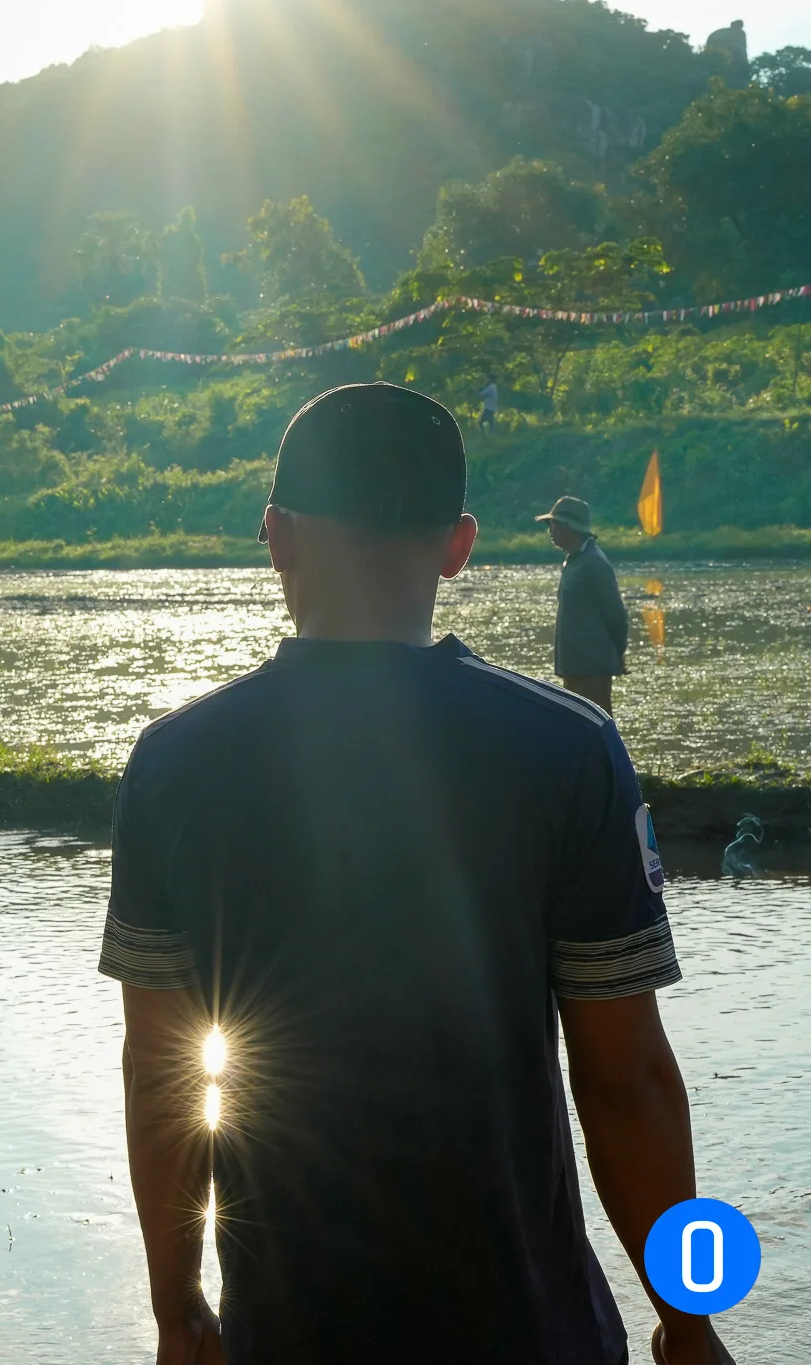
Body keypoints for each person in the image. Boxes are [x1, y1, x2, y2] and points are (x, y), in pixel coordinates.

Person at [102, 383, 729, 1365]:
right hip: (529, 1331)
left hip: (290, 1331)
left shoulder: (176, 761)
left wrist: (176, 1310)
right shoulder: (565, 748)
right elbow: (629, 1080)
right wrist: (690, 1319)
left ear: (274, 536)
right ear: (458, 544)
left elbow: (159, 1077)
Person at [539, 494, 629, 713]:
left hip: (591, 669)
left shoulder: (594, 563)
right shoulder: (575, 559)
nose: (551, 530)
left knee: (596, 731)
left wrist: (616, 653)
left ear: (571, 527)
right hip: (576, 667)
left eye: (555, 524)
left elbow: (616, 615)